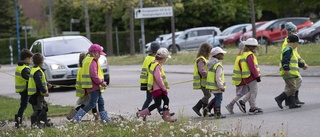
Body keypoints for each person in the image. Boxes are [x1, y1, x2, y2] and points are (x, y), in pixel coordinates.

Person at [137, 48, 176, 122]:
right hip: (157, 88)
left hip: (156, 88)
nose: (166, 60)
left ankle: (166, 116)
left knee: (166, 100)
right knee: (158, 103)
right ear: (164, 58)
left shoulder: (153, 63)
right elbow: (158, 78)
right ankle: (142, 113)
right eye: (166, 58)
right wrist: (164, 88)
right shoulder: (157, 65)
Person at [73, 44, 109, 123]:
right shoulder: (92, 61)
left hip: (93, 86)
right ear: (95, 53)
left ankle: (105, 119)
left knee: (101, 102)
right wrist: (102, 82)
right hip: (93, 86)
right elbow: (94, 75)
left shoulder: (87, 60)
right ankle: (77, 118)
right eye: (99, 54)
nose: (100, 56)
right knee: (92, 104)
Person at [66, 52, 99, 121]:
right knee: (85, 105)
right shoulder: (84, 69)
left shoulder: (80, 69)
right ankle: (72, 116)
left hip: (85, 90)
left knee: (93, 102)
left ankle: (96, 116)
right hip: (87, 90)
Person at [282, 22, 308, 106]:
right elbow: (290, 55)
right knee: (298, 80)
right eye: (294, 31)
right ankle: (292, 98)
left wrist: (301, 60)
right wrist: (301, 64)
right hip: (290, 66)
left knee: (289, 84)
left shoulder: (292, 39)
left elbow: (296, 53)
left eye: (296, 31)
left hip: (293, 65)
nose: (296, 32)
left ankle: (289, 100)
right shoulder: (289, 41)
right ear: (289, 32)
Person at [275, 34, 304, 109]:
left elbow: (293, 61)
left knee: (292, 87)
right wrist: (286, 69)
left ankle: (292, 103)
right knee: (293, 88)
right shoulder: (288, 49)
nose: (297, 45)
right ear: (294, 42)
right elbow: (285, 60)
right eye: (297, 43)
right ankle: (279, 98)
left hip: (292, 73)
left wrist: (302, 65)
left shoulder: (291, 50)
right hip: (288, 72)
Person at [236, 38, 263, 115]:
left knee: (252, 91)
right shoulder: (250, 55)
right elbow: (252, 67)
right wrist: (257, 76)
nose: (255, 49)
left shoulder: (244, 54)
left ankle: (246, 103)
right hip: (251, 76)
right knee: (254, 91)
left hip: (246, 76)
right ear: (251, 47)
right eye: (254, 47)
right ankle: (251, 107)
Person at [28, 53, 53, 128]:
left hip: (39, 94)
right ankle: (34, 124)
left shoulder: (36, 69)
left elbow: (41, 81)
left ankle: (45, 122)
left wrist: (47, 84)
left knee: (44, 107)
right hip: (36, 94)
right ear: (41, 62)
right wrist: (45, 91)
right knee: (38, 109)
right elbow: (39, 83)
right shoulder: (37, 71)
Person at [225, 42, 250, 114]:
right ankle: (230, 105)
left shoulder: (239, 56)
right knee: (242, 93)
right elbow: (244, 69)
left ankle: (232, 105)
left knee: (245, 92)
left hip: (238, 79)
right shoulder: (242, 57)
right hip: (242, 79)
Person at [203, 47, 227, 118]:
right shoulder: (218, 65)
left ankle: (207, 109)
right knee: (219, 99)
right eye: (221, 54)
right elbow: (218, 77)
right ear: (217, 55)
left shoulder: (211, 64)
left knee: (217, 98)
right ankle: (217, 113)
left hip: (212, 85)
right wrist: (221, 86)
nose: (223, 55)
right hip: (217, 86)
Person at [14, 49, 33, 128]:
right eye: (31, 58)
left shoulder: (20, 67)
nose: (31, 60)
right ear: (27, 59)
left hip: (24, 90)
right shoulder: (24, 69)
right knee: (24, 105)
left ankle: (18, 120)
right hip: (25, 90)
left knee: (30, 104)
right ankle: (18, 122)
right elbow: (30, 79)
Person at [192, 43, 212, 116]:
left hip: (205, 82)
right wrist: (210, 75)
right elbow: (201, 70)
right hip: (202, 82)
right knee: (208, 95)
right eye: (209, 51)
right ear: (206, 51)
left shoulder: (204, 59)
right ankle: (197, 107)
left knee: (206, 95)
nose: (210, 53)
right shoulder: (201, 59)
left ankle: (205, 112)